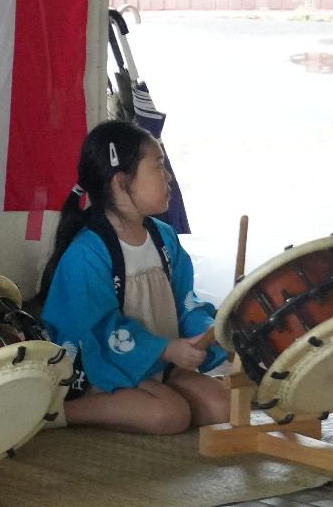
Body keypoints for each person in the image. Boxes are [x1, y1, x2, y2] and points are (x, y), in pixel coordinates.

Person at [35, 121, 229, 433]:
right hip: (104, 367)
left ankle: (152, 392)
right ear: (122, 181)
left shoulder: (164, 237)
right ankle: (58, 412)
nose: (168, 177)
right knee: (170, 415)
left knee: (223, 406)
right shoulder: (88, 252)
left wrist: (211, 331)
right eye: (159, 166)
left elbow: (186, 303)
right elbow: (99, 330)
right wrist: (166, 349)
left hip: (159, 362)